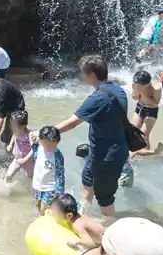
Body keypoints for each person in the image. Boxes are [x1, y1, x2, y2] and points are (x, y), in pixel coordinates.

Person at [51, 55, 129, 218]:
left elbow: (72, 123)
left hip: (109, 156)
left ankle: (106, 230)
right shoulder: (118, 89)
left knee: (104, 198)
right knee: (87, 182)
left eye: (83, 73)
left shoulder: (98, 98)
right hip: (98, 152)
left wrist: (45, 132)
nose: (81, 76)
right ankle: (84, 216)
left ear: (92, 74)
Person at [32, 126, 65, 213]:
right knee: (38, 204)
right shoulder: (39, 148)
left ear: (57, 142)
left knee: (44, 209)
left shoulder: (57, 156)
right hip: (38, 185)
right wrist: (34, 141)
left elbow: (60, 175)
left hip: (50, 188)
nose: (48, 148)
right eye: (46, 144)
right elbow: (35, 156)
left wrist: (59, 192)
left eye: (51, 145)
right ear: (41, 141)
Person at [130, 70, 163, 157]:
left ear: (147, 84)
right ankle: (136, 152)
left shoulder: (156, 88)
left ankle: (147, 157)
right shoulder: (136, 83)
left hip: (151, 110)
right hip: (139, 107)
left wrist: (143, 93)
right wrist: (137, 91)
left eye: (140, 85)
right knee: (134, 131)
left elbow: (155, 103)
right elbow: (134, 97)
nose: (136, 85)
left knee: (144, 135)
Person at [4, 110, 34, 182]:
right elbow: (14, 135)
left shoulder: (30, 134)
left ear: (23, 126)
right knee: (8, 176)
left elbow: (34, 149)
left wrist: (25, 159)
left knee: (30, 178)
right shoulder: (16, 131)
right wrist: (11, 144)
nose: (12, 127)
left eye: (14, 126)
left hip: (29, 161)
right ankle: (8, 190)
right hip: (17, 159)